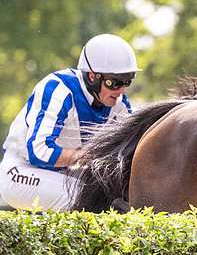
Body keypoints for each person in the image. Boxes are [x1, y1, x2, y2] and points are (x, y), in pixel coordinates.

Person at [0, 33, 140, 211]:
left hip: (65, 172)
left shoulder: (119, 105)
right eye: (114, 83)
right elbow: (39, 152)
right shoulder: (58, 89)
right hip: (20, 170)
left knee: (120, 195)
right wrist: (90, 158)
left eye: (126, 82)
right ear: (92, 77)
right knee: (89, 197)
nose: (121, 91)